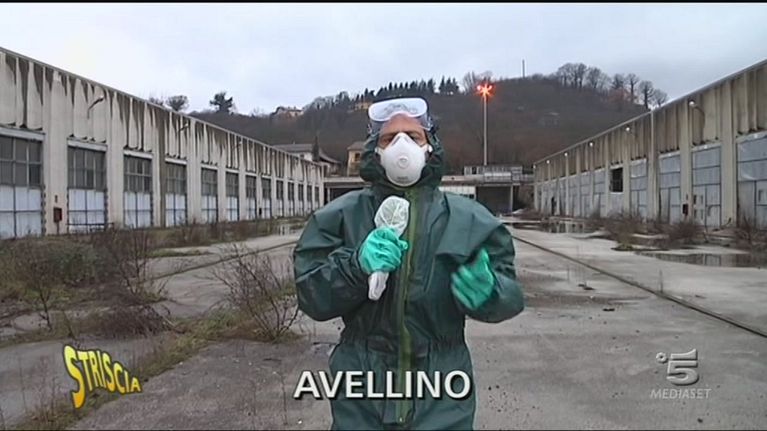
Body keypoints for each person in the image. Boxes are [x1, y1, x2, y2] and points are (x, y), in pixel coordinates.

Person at [293, 97, 525, 430]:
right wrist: (355, 267)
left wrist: (491, 293)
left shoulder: (469, 220)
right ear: (376, 151)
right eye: (389, 138)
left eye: (414, 136)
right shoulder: (340, 216)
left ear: (430, 148)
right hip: (360, 390)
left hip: (442, 390)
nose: (401, 145)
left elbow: (511, 294)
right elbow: (311, 295)